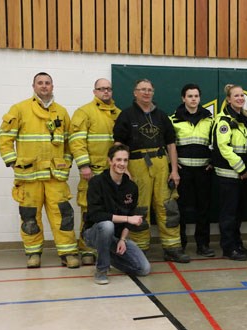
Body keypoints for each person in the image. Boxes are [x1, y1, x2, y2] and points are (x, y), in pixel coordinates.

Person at [0, 72, 79, 268]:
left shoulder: (62, 112)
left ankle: (68, 253)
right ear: (33, 86)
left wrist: (66, 163)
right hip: (29, 176)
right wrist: (12, 161)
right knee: (30, 216)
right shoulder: (19, 109)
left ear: (53, 86)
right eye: (40, 83)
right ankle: (33, 254)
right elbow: (4, 137)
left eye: (47, 83)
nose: (44, 86)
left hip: (55, 176)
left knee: (63, 215)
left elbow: (69, 142)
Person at [113, 79, 189, 263]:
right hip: (137, 165)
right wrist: (124, 169)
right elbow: (118, 145)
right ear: (135, 93)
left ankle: (172, 247)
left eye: (149, 90)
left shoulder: (162, 116)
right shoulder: (126, 115)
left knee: (168, 207)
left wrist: (174, 170)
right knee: (140, 208)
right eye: (142, 90)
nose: (146, 93)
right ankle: (140, 249)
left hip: (161, 164)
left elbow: (171, 144)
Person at [69, 78, 121, 265]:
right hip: (93, 173)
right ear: (94, 91)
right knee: (89, 212)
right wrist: (84, 165)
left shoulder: (118, 114)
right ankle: (87, 249)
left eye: (108, 88)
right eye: (101, 89)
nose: (106, 92)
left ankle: (109, 249)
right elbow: (76, 141)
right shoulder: (84, 112)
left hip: (114, 174)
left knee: (113, 212)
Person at [83, 144, 151, 284]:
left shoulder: (131, 187)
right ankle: (101, 270)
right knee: (107, 225)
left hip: (117, 237)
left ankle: (107, 255)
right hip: (94, 233)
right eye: (118, 160)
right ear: (110, 161)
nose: (122, 164)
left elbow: (130, 215)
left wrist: (123, 239)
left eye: (125, 160)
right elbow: (96, 215)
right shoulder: (97, 182)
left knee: (144, 269)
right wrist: (128, 218)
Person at [212, 84, 247, 261]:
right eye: (236, 96)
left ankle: (238, 244)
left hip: (245, 176)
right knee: (228, 214)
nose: (240, 98)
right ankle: (228, 248)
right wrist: (242, 169)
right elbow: (224, 148)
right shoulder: (223, 120)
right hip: (228, 176)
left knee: (239, 214)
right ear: (228, 99)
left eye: (242, 95)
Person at [170, 84, 215, 257]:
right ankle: (179, 244)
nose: (193, 99)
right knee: (180, 209)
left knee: (203, 209)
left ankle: (202, 245)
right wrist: (172, 164)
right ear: (183, 98)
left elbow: (217, 143)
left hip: (204, 171)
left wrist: (213, 161)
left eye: (196, 96)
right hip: (183, 172)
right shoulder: (173, 119)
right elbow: (167, 144)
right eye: (190, 96)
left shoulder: (210, 119)